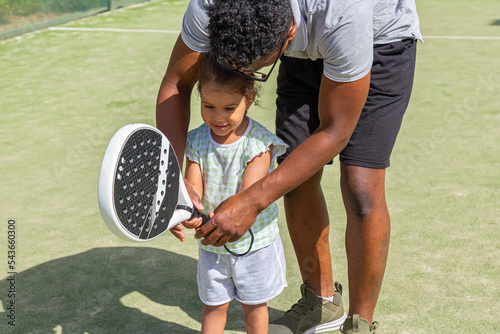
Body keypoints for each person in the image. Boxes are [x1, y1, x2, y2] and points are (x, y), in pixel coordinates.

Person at [156, 0, 423, 333]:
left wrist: (253, 200)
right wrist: (172, 183)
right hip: (300, 48)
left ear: (289, 32)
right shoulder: (211, 6)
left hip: (377, 40)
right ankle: (321, 303)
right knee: (295, 175)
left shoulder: (343, 12)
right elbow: (178, 84)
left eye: (253, 72)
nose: (241, 79)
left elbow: (336, 130)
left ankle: (360, 320)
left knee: (360, 185)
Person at [180, 55, 288, 334]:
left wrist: (209, 220)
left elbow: (247, 199)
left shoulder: (259, 143)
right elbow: (194, 191)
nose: (218, 117)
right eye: (208, 106)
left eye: (229, 107)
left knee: (254, 306)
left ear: (249, 99)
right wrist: (193, 214)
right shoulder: (195, 140)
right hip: (213, 244)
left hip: (255, 245)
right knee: (214, 306)